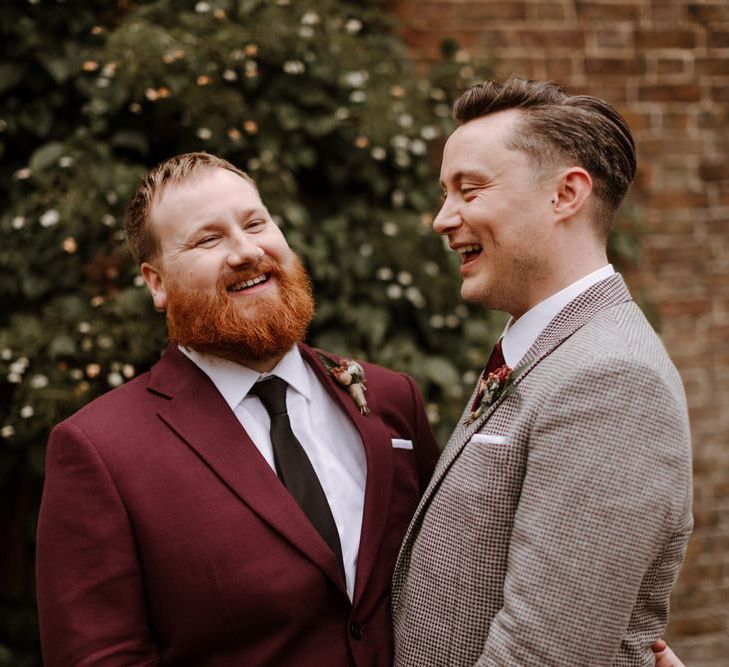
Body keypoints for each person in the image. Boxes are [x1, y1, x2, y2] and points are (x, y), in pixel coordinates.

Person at [35, 152, 439, 666]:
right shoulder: (100, 451)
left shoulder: (388, 398)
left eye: (255, 223)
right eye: (208, 239)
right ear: (156, 283)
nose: (246, 251)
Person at [392, 77, 693, 665]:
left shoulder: (611, 379)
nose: (441, 219)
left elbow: (542, 654)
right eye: (444, 193)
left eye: (469, 190)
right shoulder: (544, 347)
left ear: (565, 195)